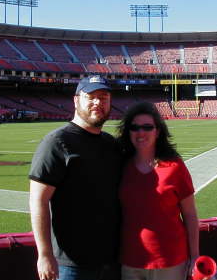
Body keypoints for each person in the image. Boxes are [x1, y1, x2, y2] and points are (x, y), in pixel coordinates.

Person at [29, 75, 122, 280]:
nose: (98, 102)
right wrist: (44, 254)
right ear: (76, 100)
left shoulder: (110, 143)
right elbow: (39, 200)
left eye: (104, 97)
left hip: (110, 260)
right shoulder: (56, 142)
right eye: (91, 96)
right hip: (71, 264)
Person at [117, 101, 199, 280]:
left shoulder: (175, 166)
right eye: (134, 127)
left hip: (170, 260)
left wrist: (195, 256)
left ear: (158, 131)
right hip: (131, 261)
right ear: (128, 132)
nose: (140, 133)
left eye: (147, 127)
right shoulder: (120, 166)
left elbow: (190, 214)